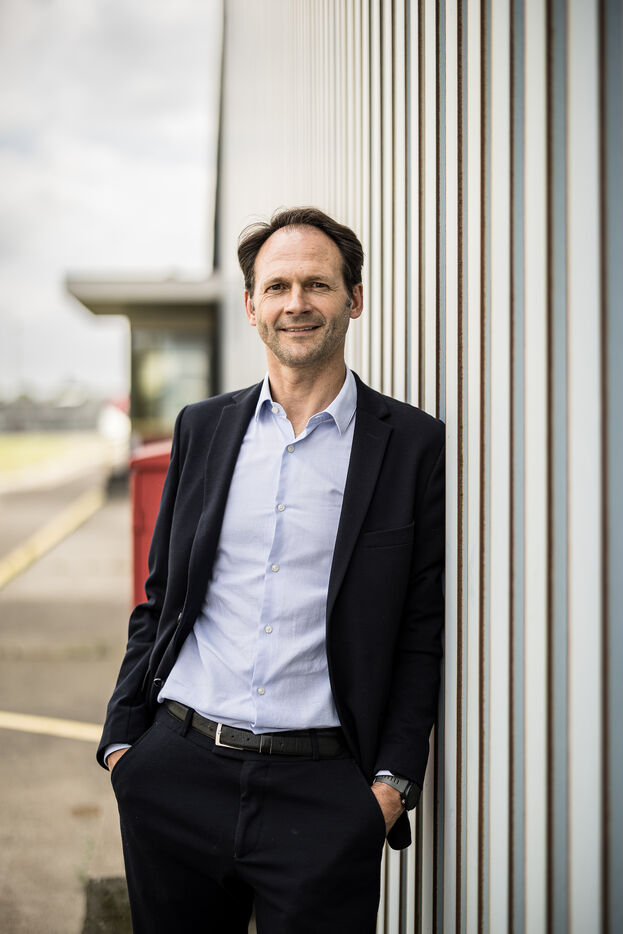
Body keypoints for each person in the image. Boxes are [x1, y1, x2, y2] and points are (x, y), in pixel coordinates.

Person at [98, 207, 445, 934]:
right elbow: (161, 597)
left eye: (317, 284)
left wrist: (390, 785)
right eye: (278, 286)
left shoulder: (412, 445)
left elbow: (419, 629)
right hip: (176, 772)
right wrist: (124, 744)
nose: (297, 303)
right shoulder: (202, 428)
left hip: (323, 793)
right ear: (252, 305)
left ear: (354, 299)